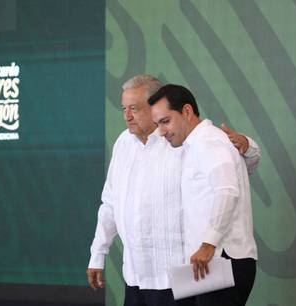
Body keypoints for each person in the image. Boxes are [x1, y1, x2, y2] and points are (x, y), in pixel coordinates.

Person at [87, 75, 260, 306]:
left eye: (135, 108)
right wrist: (98, 253)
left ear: (156, 107)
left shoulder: (185, 141)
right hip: (136, 273)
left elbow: (230, 177)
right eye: (124, 108)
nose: (127, 116)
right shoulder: (123, 144)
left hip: (179, 274)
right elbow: (110, 203)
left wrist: (247, 146)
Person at [148, 84, 257, 306]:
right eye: (157, 124)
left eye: (166, 121)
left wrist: (209, 243)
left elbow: (227, 190)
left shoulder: (208, 141)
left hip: (223, 260)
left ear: (187, 111)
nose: (161, 131)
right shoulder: (195, 145)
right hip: (206, 263)